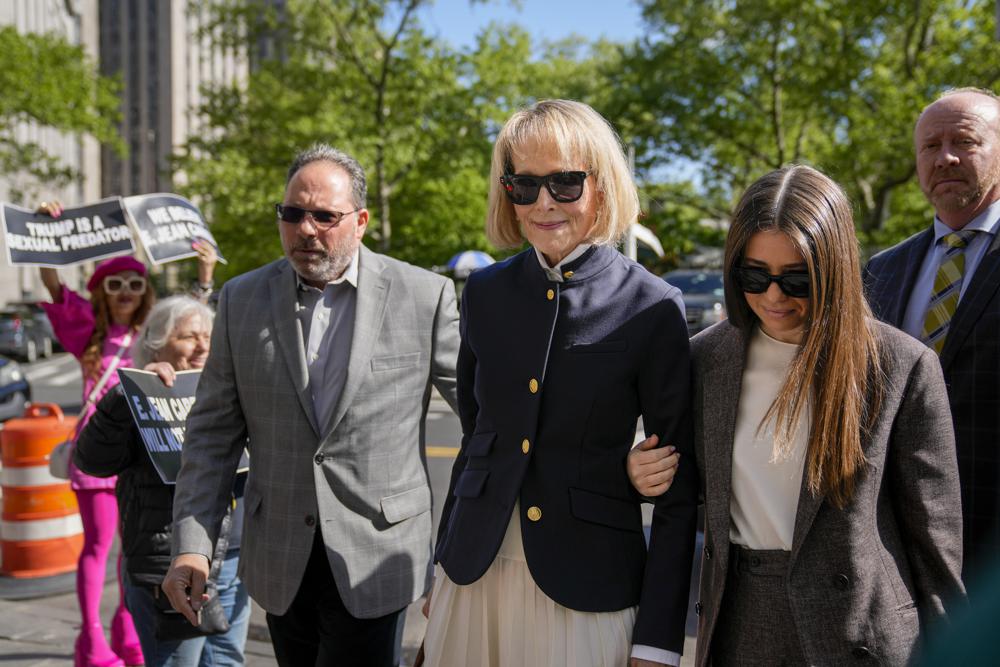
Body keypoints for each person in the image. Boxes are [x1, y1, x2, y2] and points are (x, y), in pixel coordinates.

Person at [629, 165, 965, 665]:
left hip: (860, 632)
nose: (773, 296)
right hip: (739, 623)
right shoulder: (702, 360)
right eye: (754, 275)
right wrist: (640, 473)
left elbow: (935, 549)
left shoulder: (901, 366)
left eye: (797, 278)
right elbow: (690, 494)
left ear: (835, 269)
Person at [161, 144, 460, 666]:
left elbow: (486, 423)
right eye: (293, 213)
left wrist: (464, 555)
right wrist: (192, 545)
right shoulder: (241, 300)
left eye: (324, 216)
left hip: (379, 554)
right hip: (279, 559)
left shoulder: (423, 295)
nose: (305, 229)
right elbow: (210, 437)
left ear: (361, 222)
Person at [424, 99, 698, 667]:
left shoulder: (652, 304)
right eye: (524, 185)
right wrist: (441, 566)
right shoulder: (484, 294)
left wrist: (658, 640)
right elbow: (477, 443)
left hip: (588, 585)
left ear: (602, 186)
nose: (543, 202)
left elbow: (677, 490)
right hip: (473, 576)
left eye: (565, 183)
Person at [864, 87, 1000, 583]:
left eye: (964, 141)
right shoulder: (882, 270)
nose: (945, 158)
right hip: (897, 541)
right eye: (930, 146)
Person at [74, 296, 250, 667]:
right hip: (167, 568)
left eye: (209, 336)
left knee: (226, 661)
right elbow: (91, 460)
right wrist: (127, 394)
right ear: (156, 344)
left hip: (235, 558)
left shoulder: (229, 388)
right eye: (189, 337)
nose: (202, 346)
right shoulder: (138, 398)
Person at [36, 200, 152, 667]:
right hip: (97, 458)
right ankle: (90, 639)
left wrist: (204, 271)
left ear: (145, 291)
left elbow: (196, 333)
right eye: (115, 284)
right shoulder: (88, 331)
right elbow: (52, 285)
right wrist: (47, 234)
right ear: (102, 292)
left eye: (134, 284)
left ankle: (128, 631)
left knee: (131, 552)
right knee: (100, 547)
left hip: (142, 458)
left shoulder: (152, 335)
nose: (125, 292)